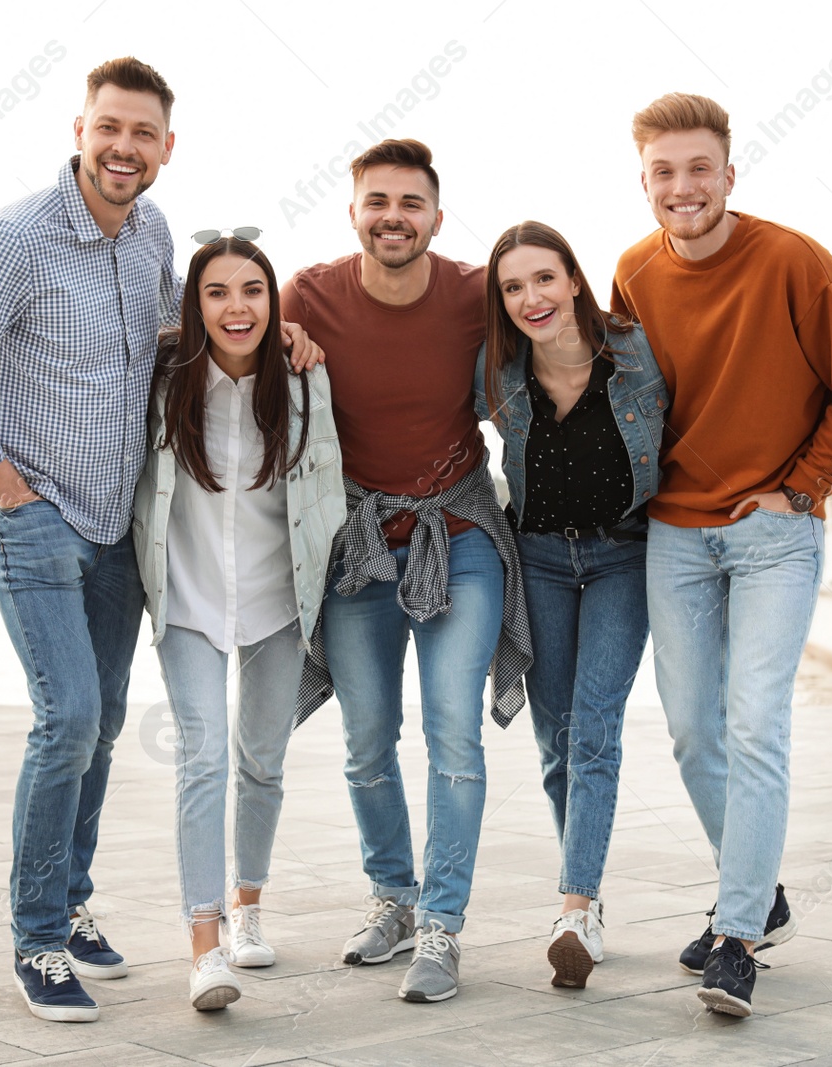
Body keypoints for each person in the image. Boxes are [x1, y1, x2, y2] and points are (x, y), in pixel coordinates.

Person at [0, 57, 320, 1024]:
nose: (124, 148)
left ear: (166, 149)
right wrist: (7, 488)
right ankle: (37, 938)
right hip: (38, 515)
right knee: (69, 721)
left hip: (118, 525)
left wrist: (284, 329)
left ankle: (73, 898)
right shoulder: (13, 238)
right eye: (110, 128)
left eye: (144, 134)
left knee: (98, 724)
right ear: (81, 129)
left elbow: (187, 331)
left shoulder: (153, 238)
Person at [610, 92, 832, 1017]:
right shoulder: (632, 272)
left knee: (755, 722)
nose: (683, 187)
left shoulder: (793, 261)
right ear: (645, 179)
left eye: (700, 169)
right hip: (676, 532)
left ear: (730, 174)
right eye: (665, 171)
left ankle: (737, 935)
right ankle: (762, 890)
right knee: (694, 729)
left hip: (775, 531)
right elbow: (627, 399)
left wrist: (806, 485)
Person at [283, 139, 532, 1004]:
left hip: (459, 531)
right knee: (366, 738)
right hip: (358, 543)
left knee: (453, 731)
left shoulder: (473, 293)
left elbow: (552, 340)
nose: (394, 215)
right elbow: (232, 354)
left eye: (411, 202)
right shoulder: (308, 295)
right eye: (377, 200)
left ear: (435, 213)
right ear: (354, 210)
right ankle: (392, 895)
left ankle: (442, 925)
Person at [133, 234, 345, 1011]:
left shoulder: (302, 383)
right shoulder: (162, 381)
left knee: (261, 761)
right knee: (203, 761)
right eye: (217, 291)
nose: (236, 307)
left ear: (273, 301)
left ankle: (249, 906)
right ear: (194, 304)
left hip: (277, 603)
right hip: (188, 600)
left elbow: (328, 492)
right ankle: (205, 943)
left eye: (252, 290)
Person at [474, 221, 667, 990]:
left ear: (575, 279)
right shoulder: (497, 369)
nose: (531, 298)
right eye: (513, 287)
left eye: (544, 279)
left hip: (625, 554)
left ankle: (575, 906)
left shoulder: (638, 353)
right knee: (556, 739)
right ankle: (582, 892)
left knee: (594, 727)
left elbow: (701, 421)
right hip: (541, 558)